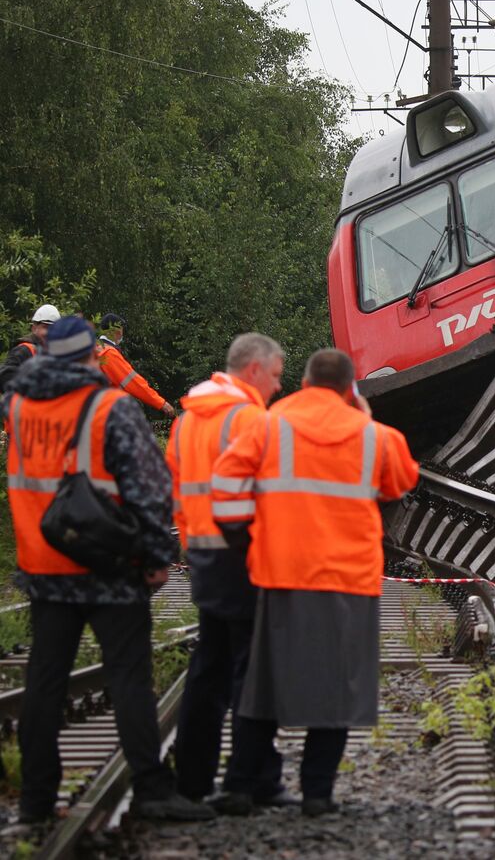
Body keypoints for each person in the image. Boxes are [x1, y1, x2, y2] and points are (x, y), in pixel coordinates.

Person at [3, 316, 213, 823]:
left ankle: (35, 800)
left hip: (45, 569)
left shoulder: (17, 409)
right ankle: (151, 789)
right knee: (129, 680)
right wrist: (156, 558)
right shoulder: (108, 409)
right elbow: (149, 490)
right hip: (112, 569)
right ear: (89, 358)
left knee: (45, 682)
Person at [211, 349, 419, 816]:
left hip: (281, 573)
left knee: (262, 686)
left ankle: (242, 786)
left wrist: (247, 541)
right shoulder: (374, 436)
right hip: (348, 580)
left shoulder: (267, 425)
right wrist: (363, 415)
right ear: (350, 389)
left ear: (304, 383)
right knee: (337, 686)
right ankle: (317, 793)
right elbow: (402, 482)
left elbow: (223, 487)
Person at [168, 333, 293, 810]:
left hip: (203, 555)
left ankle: (193, 781)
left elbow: (177, 492)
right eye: (277, 376)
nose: (278, 388)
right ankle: (251, 780)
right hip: (245, 557)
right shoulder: (249, 419)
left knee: (210, 669)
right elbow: (267, 498)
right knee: (252, 671)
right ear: (254, 370)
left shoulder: (186, 421)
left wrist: (190, 542)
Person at [96, 313, 176, 417]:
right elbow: (133, 382)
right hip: (104, 413)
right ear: (118, 330)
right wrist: (161, 403)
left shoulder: (94, 348)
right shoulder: (108, 353)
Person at [0, 304, 59, 393]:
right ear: (34, 328)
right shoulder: (24, 349)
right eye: (45, 327)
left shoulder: (55, 353)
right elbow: (5, 376)